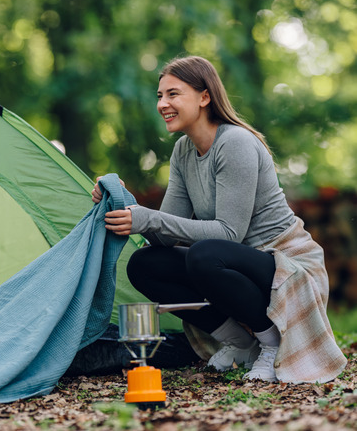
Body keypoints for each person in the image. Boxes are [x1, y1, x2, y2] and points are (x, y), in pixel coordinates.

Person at [91, 56, 346, 383]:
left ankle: (272, 345)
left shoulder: (235, 142)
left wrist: (149, 218)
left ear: (204, 97)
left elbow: (228, 233)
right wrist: (125, 203)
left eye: (173, 94)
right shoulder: (183, 151)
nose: (162, 104)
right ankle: (241, 343)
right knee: (145, 264)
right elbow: (164, 234)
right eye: (160, 95)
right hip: (237, 261)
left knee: (205, 254)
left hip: (286, 262)